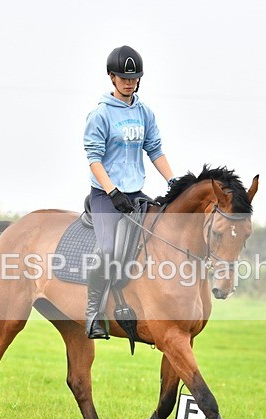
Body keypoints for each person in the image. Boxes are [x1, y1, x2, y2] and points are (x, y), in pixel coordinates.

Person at [83, 45, 175, 339]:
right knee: (108, 250)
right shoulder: (100, 115)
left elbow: (155, 150)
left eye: (133, 78)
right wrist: (111, 192)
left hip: (135, 192)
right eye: (123, 77)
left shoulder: (145, 113)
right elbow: (94, 159)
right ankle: (92, 314)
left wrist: (174, 181)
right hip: (105, 195)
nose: (128, 82)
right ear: (111, 77)